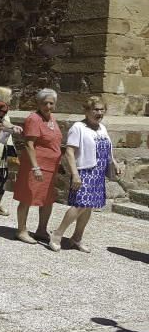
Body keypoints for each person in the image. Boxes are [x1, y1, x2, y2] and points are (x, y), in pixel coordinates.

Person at [49, 97, 121, 253]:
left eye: (102, 110)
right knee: (80, 205)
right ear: (87, 111)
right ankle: (57, 234)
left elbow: (107, 149)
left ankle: (77, 237)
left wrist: (113, 162)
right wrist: (75, 174)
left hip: (99, 172)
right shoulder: (78, 127)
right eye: (95, 110)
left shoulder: (102, 127)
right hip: (85, 171)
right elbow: (69, 152)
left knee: (89, 207)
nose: (99, 113)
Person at [12, 88, 62, 244]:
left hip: (51, 166)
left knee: (47, 199)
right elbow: (29, 144)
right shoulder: (34, 119)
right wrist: (35, 167)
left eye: (51, 103)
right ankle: (21, 230)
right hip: (36, 165)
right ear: (38, 103)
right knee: (27, 197)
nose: (48, 106)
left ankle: (41, 229)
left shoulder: (52, 118)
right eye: (44, 103)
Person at [0, 86, 21, 216]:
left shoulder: (6, 113)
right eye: (10, 96)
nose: (11, 98)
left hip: (4, 149)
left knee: (2, 178)